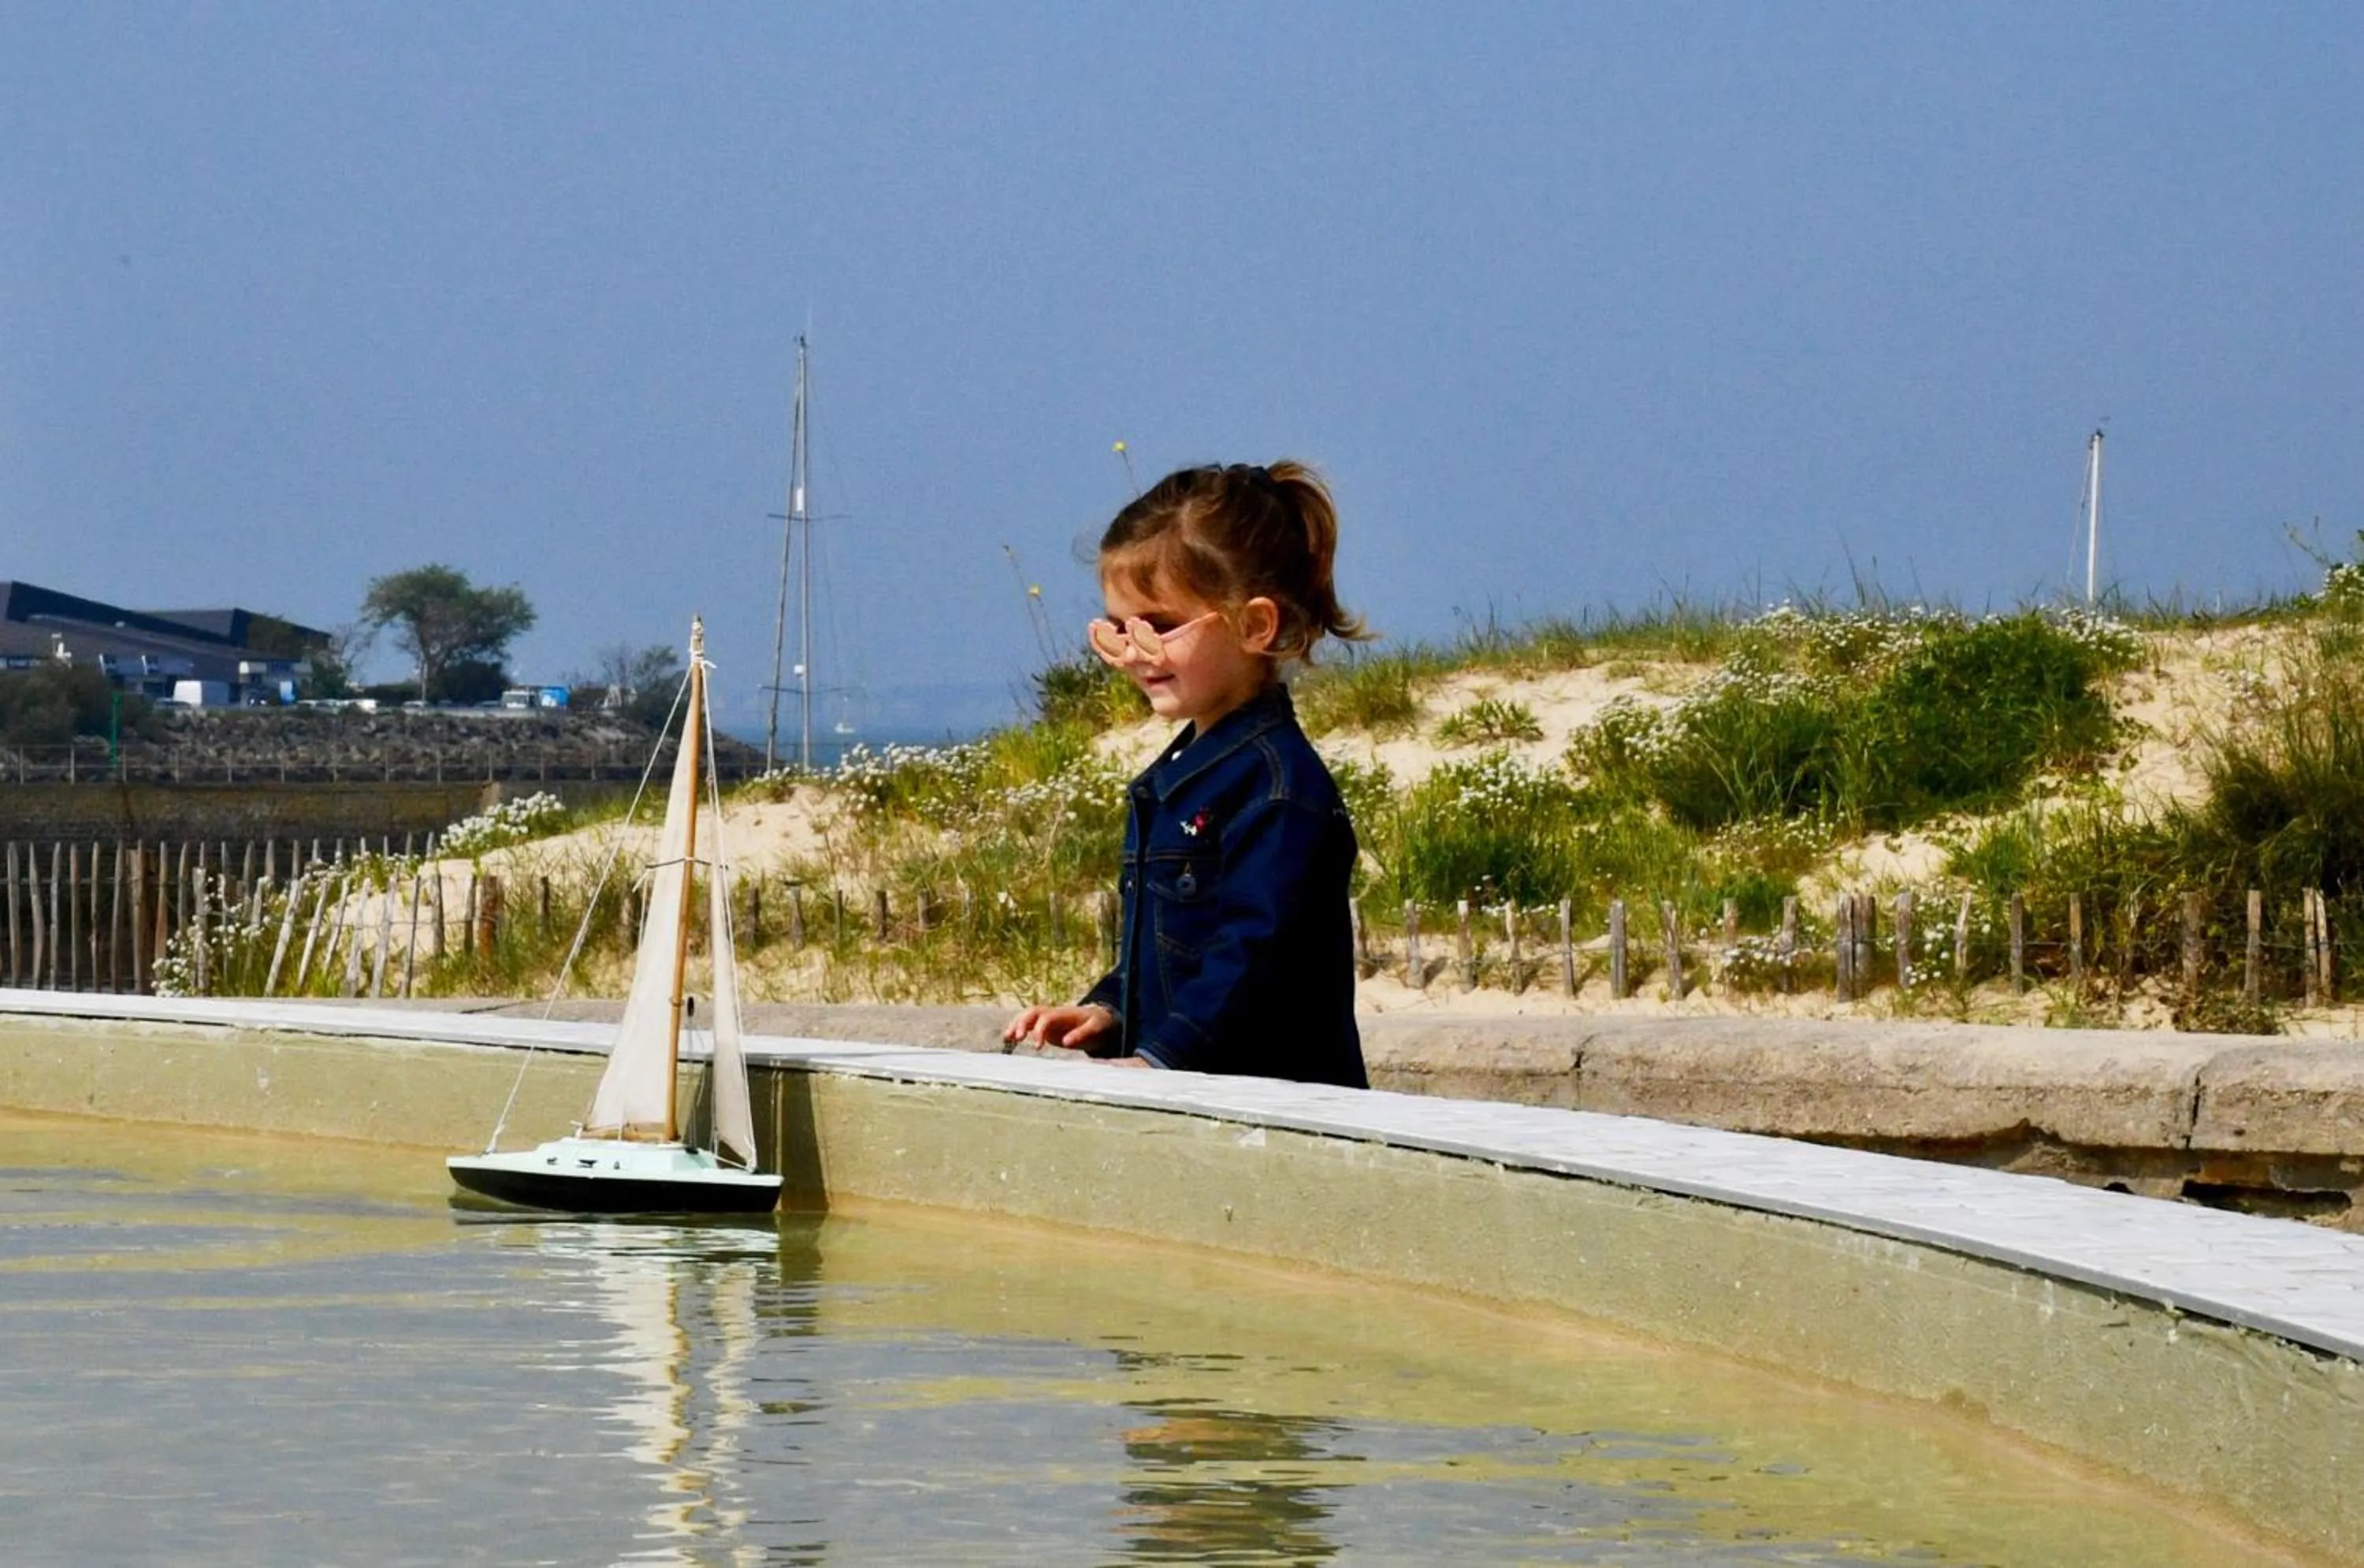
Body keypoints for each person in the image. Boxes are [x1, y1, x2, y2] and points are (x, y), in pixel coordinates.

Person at [1002, 461, 1370, 1088]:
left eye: (1161, 627)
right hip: (1200, 1098)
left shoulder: (1278, 789)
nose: (1135, 653)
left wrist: (1160, 1058)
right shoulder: (1177, 781)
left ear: (1256, 625)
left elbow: (1255, 955)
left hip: (1280, 1112)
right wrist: (1108, 1009)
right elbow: (1170, 952)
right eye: (1117, 631)